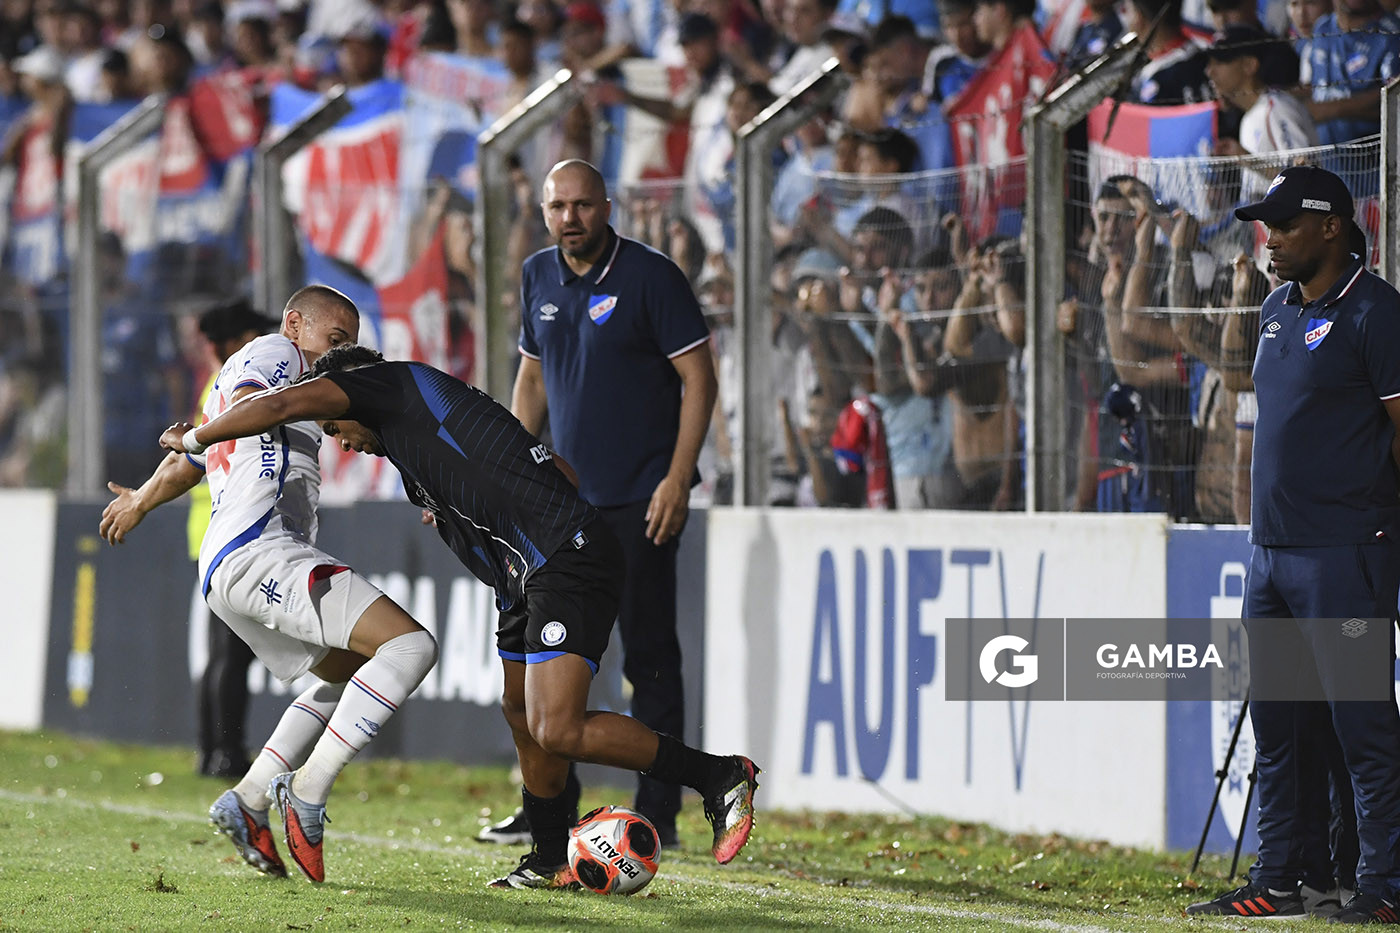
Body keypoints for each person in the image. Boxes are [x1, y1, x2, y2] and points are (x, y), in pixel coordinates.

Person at [154, 343, 760, 890]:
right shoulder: (412, 441)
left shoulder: (386, 383)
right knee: (521, 715)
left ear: (350, 389)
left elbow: (282, 404)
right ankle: (550, 859)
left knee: (557, 727)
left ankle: (719, 776)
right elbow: (560, 473)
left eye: (336, 425)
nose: (339, 438)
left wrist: (197, 440)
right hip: (522, 573)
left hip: (562, 556)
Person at [99, 285, 439, 885]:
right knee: (411, 646)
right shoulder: (278, 355)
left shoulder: (278, 388)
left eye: (350, 346)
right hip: (262, 550)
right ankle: (306, 792)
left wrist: (143, 501)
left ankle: (250, 796)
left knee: (354, 673)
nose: (339, 354)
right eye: (334, 340)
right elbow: (232, 425)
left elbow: (194, 456)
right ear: (293, 323)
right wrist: (200, 439)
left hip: (233, 564)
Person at [1186, 165, 1400, 922]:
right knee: (1278, 729)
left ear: (1332, 227)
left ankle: (1382, 887)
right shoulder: (1276, 309)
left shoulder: (1378, 313)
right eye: (1265, 223)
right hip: (1271, 557)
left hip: (1346, 555)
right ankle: (1281, 878)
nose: (1268, 238)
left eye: (1283, 224)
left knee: (1364, 730)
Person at [487, 158, 718, 851]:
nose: (570, 219)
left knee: (648, 657)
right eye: (558, 207)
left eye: (583, 205)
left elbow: (699, 380)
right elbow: (531, 381)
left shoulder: (652, 277)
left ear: (606, 207)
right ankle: (549, 808)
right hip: (559, 512)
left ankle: (660, 815)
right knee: (545, 667)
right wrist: (504, 476)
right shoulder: (537, 275)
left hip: (641, 501)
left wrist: (678, 477)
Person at [189, 299, 279, 779]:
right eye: (250, 335)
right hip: (231, 534)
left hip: (212, 534)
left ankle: (210, 750)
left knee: (222, 652)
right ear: (228, 344)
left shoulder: (215, 384)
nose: (260, 343)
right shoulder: (237, 384)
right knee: (233, 651)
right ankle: (227, 751)